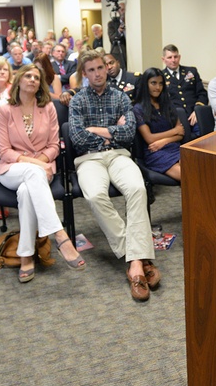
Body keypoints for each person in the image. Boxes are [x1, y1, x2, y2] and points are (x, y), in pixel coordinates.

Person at [68, 50, 159, 302]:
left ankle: (135, 264)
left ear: (106, 69)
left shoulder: (120, 97)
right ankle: (137, 258)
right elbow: (77, 137)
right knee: (95, 195)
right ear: (84, 74)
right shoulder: (77, 101)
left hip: (119, 155)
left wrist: (95, 129)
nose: (97, 73)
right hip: (89, 159)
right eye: (91, 70)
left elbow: (129, 134)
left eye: (100, 68)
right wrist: (112, 129)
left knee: (138, 189)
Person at [0, 64, 85, 281]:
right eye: (28, 75)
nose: (33, 80)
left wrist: (40, 162)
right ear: (18, 81)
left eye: (37, 77)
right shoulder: (5, 110)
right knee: (33, 175)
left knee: (27, 193)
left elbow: (54, 145)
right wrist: (34, 163)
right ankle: (60, 235)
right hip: (12, 169)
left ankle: (26, 255)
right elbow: (4, 151)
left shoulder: (48, 108)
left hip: (43, 166)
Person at [131, 68, 184, 181]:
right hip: (155, 152)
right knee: (187, 175)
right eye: (153, 83)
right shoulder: (138, 109)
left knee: (196, 170)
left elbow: (181, 134)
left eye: (160, 83)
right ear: (146, 84)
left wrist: (163, 141)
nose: (158, 87)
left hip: (174, 148)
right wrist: (174, 131)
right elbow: (150, 138)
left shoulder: (167, 104)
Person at [161, 44, 208, 131]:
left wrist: (197, 111)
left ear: (179, 57)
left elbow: (202, 93)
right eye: (169, 57)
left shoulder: (191, 71)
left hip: (194, 116)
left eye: (175, 57)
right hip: (175, 119)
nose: (173, 60)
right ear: (163, 59)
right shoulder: (160, 77)